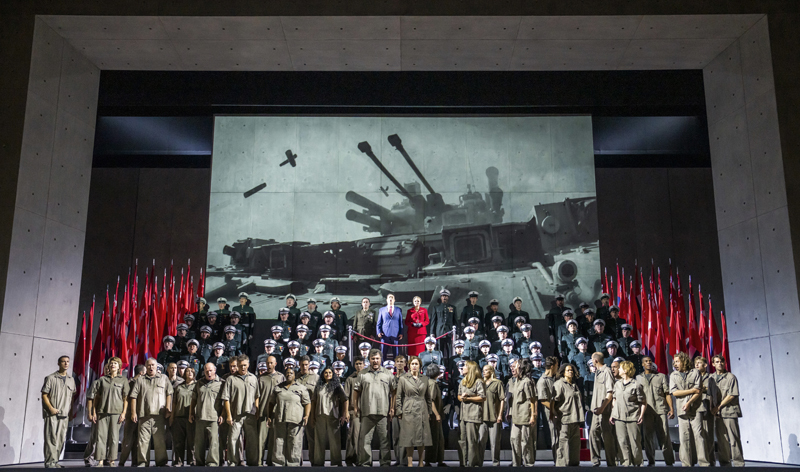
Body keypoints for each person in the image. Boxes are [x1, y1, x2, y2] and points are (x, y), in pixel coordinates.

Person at [353, 349, 396, 466]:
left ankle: (385, 463)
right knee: (365, 440)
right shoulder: (362, 374)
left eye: (377, 358)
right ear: (369, 360)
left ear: (381, 359)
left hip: (383, 412)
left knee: (385, 440)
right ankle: (366, 463)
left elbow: (394, 391)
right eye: (373, 359)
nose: (375, 361)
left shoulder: (388, 374)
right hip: (367, 412)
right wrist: (355, 406)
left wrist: (392, 408)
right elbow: (356, 391)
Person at [396, 356, 440, 467]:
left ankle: (421, 462)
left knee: (422, 436)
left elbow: (428, 398)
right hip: (408, 408)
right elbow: (398, 396)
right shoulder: (403, 378)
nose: (414, 366)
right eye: (412, 364)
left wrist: (429, 412)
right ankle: (410, 463)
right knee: (409, 437)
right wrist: (399, 411)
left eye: (416, 364)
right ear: (409, 365)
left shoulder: (425, 379)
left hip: (422, 408)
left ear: (420, 365)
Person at [130, 357, 174, 467]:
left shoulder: (163, 378)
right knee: (143, 441)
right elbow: (133, 396)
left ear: (156, 366)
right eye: (148, 365)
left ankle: (161, 462)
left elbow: (169, 393)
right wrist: (133, 412)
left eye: (153, 365)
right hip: (144, 415)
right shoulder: (140, 380)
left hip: (159, 415)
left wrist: (168, 408)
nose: (151, 367)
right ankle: (143, 462)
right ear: (145, 367)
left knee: (160, 440)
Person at [87, 357, 129, 467]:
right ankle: (100, 460)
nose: (113, 365)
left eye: (115, 363)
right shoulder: (102, 380)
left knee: (114, 438)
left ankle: (111, 460)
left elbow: (126, 398)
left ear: (119, 366)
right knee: (101, 437)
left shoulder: (123, 380)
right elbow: (96, 398)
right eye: (111, 363)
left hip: (116, 413)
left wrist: (124, 413)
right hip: (102, 412)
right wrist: (94, 412)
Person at [670, 351, 708, 467]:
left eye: (677, 361)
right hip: (682, 410)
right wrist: (691, 391)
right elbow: (675, 392)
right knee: (684, 437)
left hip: (696, 408)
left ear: (684, 361)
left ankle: (703, 463)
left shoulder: (695, 372)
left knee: (699, 436)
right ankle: (686, 464)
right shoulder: (673, 375)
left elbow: (699, 390)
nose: (675, 364)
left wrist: (689, 402)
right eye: (674, 362)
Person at [267, 367, 311, 466]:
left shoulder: (301, 388)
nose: (289, 374)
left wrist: (307, 415)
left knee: (294, 443)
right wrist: (269, 416)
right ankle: (278, 464)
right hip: (280, 419)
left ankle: (293, 465)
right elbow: (271, 403)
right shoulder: (278, 387)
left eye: (291, 373)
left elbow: (307, 403)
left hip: (296, 420)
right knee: (279, 442)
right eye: (287, 373)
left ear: (295, 375)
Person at [636, 355, 675, 466]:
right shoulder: (638, 378)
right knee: (648, 437)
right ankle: (651, 461)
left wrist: (671, 408)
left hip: (660, 410)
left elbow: (667, 393)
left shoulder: (661, 376)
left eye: (650, 361)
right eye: (646, 361)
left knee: (664, 436)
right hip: (647, 412)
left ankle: (669, 461)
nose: (649, 363)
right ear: (643, 364)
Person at [222, 355, 260, 466]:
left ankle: (252, 462)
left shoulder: (253, 378)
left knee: (252, 439)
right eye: (240, 365)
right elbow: (226, 398)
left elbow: (257, 395)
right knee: (233, 439)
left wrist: (257, 410)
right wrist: (228, 415)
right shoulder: (230, 379)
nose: (243, 367)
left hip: (250, 415)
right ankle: (233, 462)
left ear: (248, 365)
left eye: (244, 365)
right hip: (236, 415)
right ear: (237, 366)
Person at [310, 366, 349, 466]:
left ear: (333, 374)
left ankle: (336, 462)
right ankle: (318, 462)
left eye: (330, 373)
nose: (328, 374)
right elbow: (313, 401)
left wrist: (345, 413)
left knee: (335, 440)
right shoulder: (319, 385)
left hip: (333, 416)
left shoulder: (337, 385)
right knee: (319, 440)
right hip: (320, 416)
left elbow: (345, 399)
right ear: (323, 374)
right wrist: (312, 416)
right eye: (326, 373)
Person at [710, 355, 744, 467]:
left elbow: (732, 395)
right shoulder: (711, 378)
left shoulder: (731, 377)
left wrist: (718, 407)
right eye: (717, 362)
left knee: (734, 439)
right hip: (718, 414)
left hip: (729, 412)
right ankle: (725, 464)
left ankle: (739, 463)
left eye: (721, 362)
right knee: (722, 439)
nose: (720, 364)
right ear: (713, 364)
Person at [41, 355, 75, 469]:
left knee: (60, 439)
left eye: (67, 362)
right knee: (51, 438)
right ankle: (49, 462)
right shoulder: (50, 378)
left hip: (64, 414)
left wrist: (70, 413)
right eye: (63, 361)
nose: (66, 363)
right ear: (58, 363)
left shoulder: (71, 380)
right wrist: (50, 408)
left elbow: (72, 397)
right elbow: (44, 394)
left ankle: (55, 461)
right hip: (52, 413)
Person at [611, 360, 646, 466]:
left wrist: (641, 415)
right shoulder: (617, 384)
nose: (618, 370)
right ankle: (626, 464)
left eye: (620, 368)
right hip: (619, 417)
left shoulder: (636, 385)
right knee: (622, 442)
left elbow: (643, 402)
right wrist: (613, 414)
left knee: (634, 442)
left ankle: (638, 464)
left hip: (632, 417)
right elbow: (614, 399)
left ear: (625, 370)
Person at [190, 363, 224, 467]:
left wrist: (222, 415)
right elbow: (194, 399)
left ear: (215, 370)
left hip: (214, 418)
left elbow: (226, 401)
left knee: (214, 442)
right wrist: (191, 412)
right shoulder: (199, 383)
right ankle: (199, 463)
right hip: (200, 417)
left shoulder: (222, 383)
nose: (209, 373)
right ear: (204, 371)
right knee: (199, 443)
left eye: (210, 370)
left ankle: (212, 463)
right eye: (206, 371)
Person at [552, 363, 585, 466]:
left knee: (575, 445)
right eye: (568, 370)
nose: (570, 372)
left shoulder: (574, 385)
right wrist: (554, 413)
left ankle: (574, 465)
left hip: (575, 419)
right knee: (563, 445)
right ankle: (562, 466)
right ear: (563, 372)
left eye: (571, 370)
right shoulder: (559, 384)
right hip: (564, 419)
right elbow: (553, 401)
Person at [589, 351, 617, 466]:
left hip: (604, 411)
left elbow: (610, 393)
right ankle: (595, 460)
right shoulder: (598, 372)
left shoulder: (607, 371)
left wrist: (602, 408)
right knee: (593, 433)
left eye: (592, 360)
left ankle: (612, 462)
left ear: (595, 360)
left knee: (607, 436)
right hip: (596, 411)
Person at [508, 358, 538, 466]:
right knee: (514, 440)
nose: (513, 368)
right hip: (516, 417)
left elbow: (532, 400)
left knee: (526, 443)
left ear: (520, 368)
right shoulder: (516, 381)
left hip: (525, 416)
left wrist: (533, 416)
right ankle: (516, 464)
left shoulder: (527, 381)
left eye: (515, 366)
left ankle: (529, 465)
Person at [457, 361, 485, 467]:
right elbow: (459, 396)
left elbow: (483, 397)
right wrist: (462, 398)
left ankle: (473, 464)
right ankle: (463, 463)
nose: (463, 367)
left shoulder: (478, 382)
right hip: (463, 415)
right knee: (462, 441)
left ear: (470, 368)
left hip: (473, 415)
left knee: (472, 441)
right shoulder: (463, 381)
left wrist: (469, 398)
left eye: (465, 366)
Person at [475, 364, 504, 466]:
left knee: (495, 442)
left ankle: (496, 464)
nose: (484, 372)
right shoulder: (480, 383)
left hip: (494, 417)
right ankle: (479, 464)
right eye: (483, 370)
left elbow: (502, 400)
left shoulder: (498, 383)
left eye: (486, 370)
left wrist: (500, 415)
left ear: (491, 371)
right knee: (480, 441)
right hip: (482, 417)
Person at [119, 364, 146, 466]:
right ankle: (122, 461)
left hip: (140, 414)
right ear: (141, 373)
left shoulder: (138, 382)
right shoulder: (131, 383)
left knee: (138, 440)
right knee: (128, 440)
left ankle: (135, 461)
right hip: (132, 414)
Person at [693, 356, 717, 465]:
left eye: (699, 363)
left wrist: (703, 388)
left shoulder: (711, 377)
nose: (697, 365)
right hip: (696, 408)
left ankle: (711, 461)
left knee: (709, 435)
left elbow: (712, 391)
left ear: (705, 365)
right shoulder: (693, 377)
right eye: (696, 363)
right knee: (698, 435)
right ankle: (701, 460)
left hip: (708, 406)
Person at [171, 367, 196, 466]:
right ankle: (178, 461)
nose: (189, 373)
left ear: (194, 373)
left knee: (192, 442)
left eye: (191, 371)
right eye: (187, 371)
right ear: (184, 374)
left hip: (192, 418)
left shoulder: (197, 385)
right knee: (178, 441)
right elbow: (174, 403)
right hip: (179, 417)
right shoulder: (179, 387)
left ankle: (192, 461)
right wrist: (172, 417)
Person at [537, 356, 560, 460]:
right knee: (555, 436)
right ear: (552, 366)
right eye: (556, 365)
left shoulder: (556, 378)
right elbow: (543, 400)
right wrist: (554, 410)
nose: (558, 367)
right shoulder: (542, 381)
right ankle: (557, 460)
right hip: (552, 412)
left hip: (559, 411)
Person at [344, 357, 365, 466]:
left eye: (360, 363)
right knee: (353, 435)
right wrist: (346, 411)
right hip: (354, 411)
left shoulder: (367, 377)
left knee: (362, 437)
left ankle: (359, 459)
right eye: (356, 364)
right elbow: (346, 397)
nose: (358, 366)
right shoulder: (350, 379)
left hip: (366, 411)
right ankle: (352, 459)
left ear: (364, 364)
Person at [256, 362, 278, 466]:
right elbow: (256, 396)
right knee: (261, 440)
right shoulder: (261, 378)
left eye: (271, 363)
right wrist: (257, 410)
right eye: (267, 363)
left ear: (275, 364)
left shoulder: (281, 377)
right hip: (263, 413)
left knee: (273, 440)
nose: (269, 365)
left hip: (275, 414)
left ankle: (270, 462)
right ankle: (259, 462)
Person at [424, 364, 446, 467]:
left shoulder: (432, 383)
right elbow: (431, 401)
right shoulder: (432, 384)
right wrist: (437, 414)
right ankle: (430, 460)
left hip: (434, 415)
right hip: (433, 416)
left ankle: (438, 460)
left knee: (438, 438)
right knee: (434, 438)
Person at [429, 289, 457, 356]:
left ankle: (450, 365)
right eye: (443, 296)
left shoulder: (452, 307)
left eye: (446, 296)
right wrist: (432, 332)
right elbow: (433, 321)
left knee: (450, 351)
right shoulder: (436, 308)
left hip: (449, 332)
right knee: (439, 350)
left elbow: (455, 321)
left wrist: (456, 332)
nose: (444, 298)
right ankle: (440, 365)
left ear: (448, 297)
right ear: (441, 297)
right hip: (439, 332)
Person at [377, 294, 404, 359]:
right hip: (385, 335)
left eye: (392, 297)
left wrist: (401, 333)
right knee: (383, 353)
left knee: (396, 354)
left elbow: (401, 323)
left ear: (394, 300)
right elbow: (379, 322)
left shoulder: (398, 310)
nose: (390, 299)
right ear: (387, 300)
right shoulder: (382, 310)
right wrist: (378, 332)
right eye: (389, 297)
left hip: (395, 335)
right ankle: (382, 367)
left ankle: (396, 368)